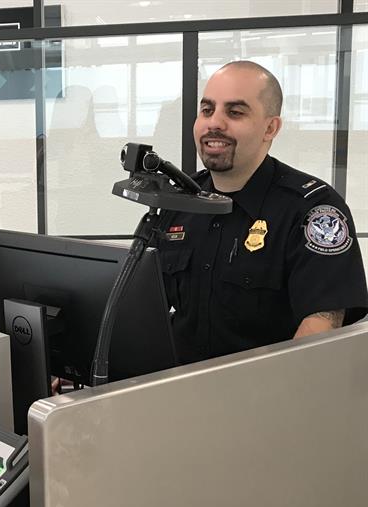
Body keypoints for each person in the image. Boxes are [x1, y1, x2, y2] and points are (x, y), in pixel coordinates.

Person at [154, 61, 368, 365]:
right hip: (167, 392)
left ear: (271, 127)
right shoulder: (178, 201)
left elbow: (321, 327)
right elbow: (142, 304)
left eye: (235, 112)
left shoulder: (313, 210)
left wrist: (275, 398)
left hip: (265, 399)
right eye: (207, 110)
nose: (215, 123)